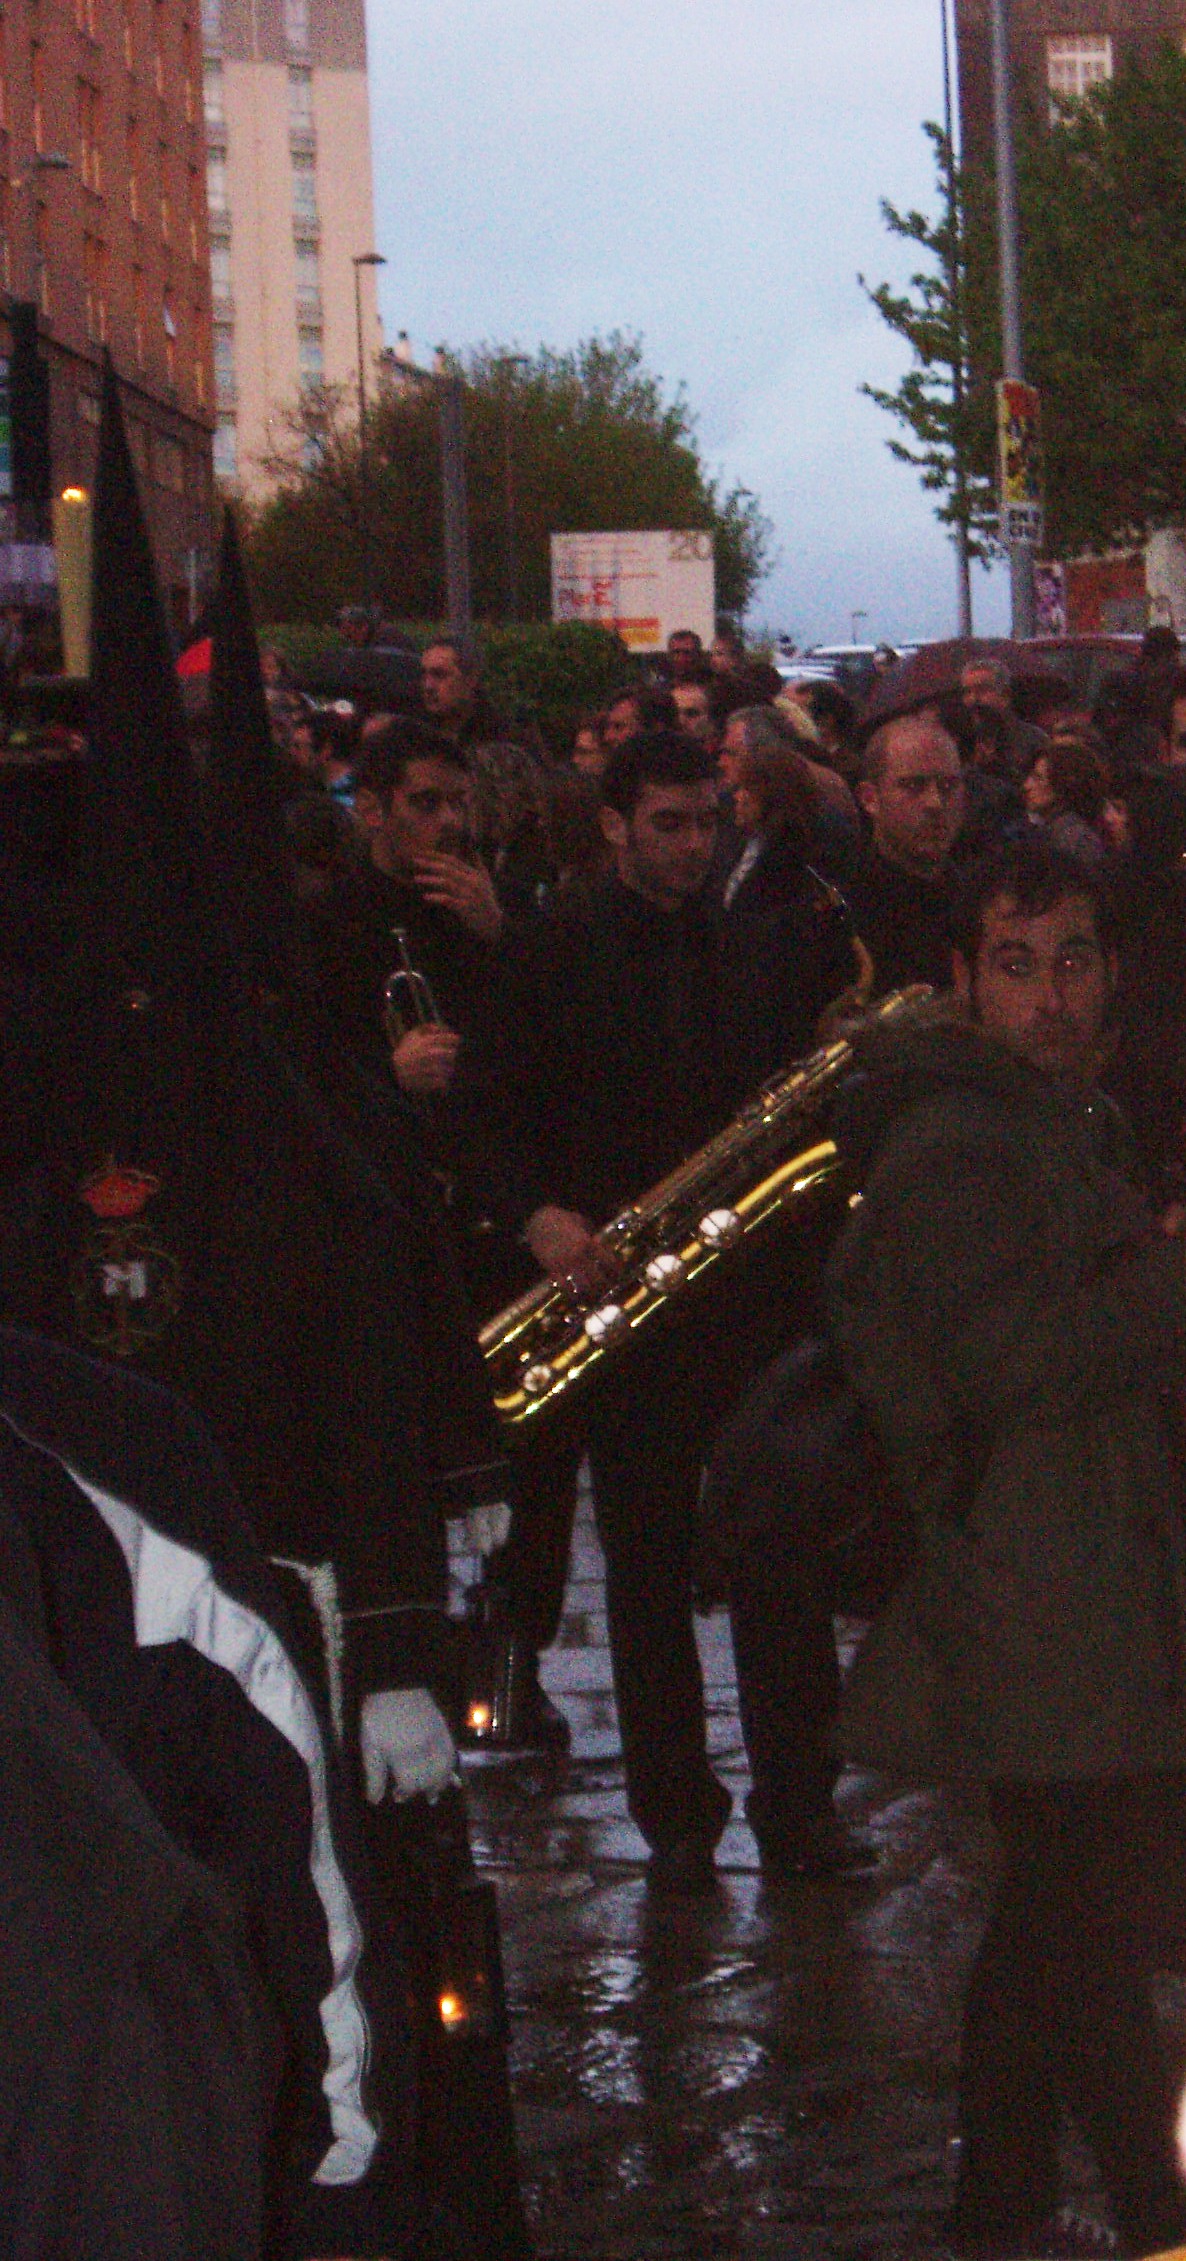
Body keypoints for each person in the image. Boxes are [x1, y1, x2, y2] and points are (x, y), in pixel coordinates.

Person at [828, 836, 1186, 2258]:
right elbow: (1012, 1364)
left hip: (1086, 1574)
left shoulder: (1055, 1117)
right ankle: (1153, 2216)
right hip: (1038, 1594)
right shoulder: (956, 1143)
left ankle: (1000, 2197)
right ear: (962, 981)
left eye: (1076, 959)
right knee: (1087, 1923)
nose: (1052, 996)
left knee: (1055, 1916)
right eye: (1018, 965)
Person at [462, 728, 839, 1889]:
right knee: (643, 1568)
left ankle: (797, 1808)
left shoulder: (740, 945)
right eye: (666, 823)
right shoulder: (547, 948)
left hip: (737, 1296)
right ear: (616, 824)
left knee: (780, 1558)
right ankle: (676, 1817)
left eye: (703, 822)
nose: (690, 845)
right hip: (617, 1300)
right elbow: (488, 1110)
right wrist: (539, 1218)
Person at [846, 710, 966, 992]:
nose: (935, 803)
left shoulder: (977, 901)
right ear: (870, 799)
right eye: (913, 786)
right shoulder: (838, 913)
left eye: (948, 786)